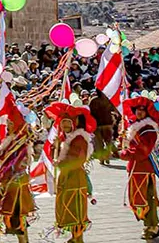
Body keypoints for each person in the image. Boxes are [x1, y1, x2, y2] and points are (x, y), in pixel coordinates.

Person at [46, 102, 94, 243]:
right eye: (63, 122)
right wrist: (54, 148)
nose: (64, 125)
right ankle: (75, 238)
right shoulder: (64, 138)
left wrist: (60, 162)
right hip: (66, 178)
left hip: (75, 179)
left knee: (76, 211)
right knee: (68, 209)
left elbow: (77, 160)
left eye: (68, 122)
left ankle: (78, 239)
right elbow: (57, 156)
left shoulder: (79, 138)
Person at [121, 96, 159, 240]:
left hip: (144, 168)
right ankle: (148, 224)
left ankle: (153, 224)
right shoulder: (136, 128)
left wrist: (125, 153)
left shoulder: (149, 129)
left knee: (148, 198)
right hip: (135, 167)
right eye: (137, 110)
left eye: (142, 109)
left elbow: (142, 151)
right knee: (139, 198)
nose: (139, 112)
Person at [0, 116, 35, 243]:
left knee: (17, 217)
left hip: (16, 185)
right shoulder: (10, 141)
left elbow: (19, 163)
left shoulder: (21, 143)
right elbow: (2, 160)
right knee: (13, 217)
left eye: (11, 123)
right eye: (8, 123)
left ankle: (24, 241)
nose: (8, 125)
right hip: (8, 184)